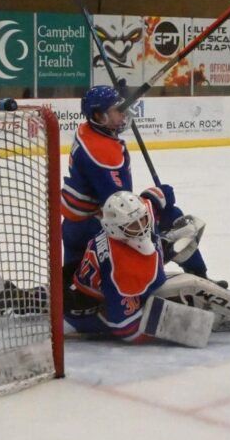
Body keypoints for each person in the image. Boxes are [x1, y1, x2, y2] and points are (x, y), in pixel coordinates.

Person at [0, 191, 230, 345]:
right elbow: (123, 326)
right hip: (95, 311)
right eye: (133, 225)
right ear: (116, 229)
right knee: (188, 285)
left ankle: (13, 296)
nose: (142, 226)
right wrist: (178, 326)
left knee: (66, 298)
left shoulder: (124, 225)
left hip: (83, 289)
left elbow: (152, 201)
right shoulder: (121, 268)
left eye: (142, 220)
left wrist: (163, 201)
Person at [60, 86, 218, 315]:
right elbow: (122, 210)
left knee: (73, 284)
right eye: (117, 110)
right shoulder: (102, 153)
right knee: (173, 217)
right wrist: (155, 198)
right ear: (99, 116)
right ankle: (199, 279)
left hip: (76, 226)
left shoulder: (89, 130)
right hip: (93, 228)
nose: (124, 114)